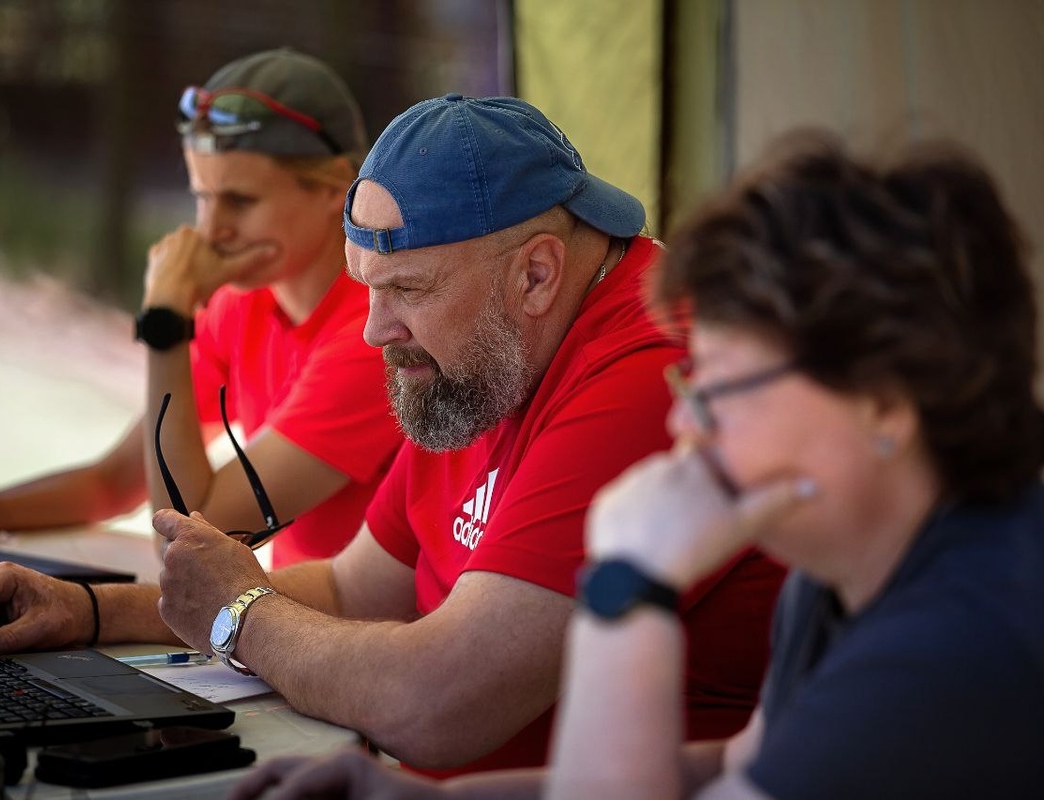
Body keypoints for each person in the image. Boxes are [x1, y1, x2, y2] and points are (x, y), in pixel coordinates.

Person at [0, 95, 784, 776]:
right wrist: (86, 611)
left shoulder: (651, 375)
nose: (375, 329)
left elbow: (440, 703)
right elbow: (352, 588)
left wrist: (240, 615)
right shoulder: (487, 352)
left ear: (536, 273)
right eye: (366, 286)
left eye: (406, 288)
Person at [228, 131, 1044, 798]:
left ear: (884, 403)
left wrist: (632, 586)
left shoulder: (961, 643)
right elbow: (731, 766)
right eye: (694, 384)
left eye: (725, 389)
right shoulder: (847, 576)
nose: (686, 423)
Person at [0, 48, 404, 568]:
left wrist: (167, 325)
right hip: (287, 611)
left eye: (240, 201)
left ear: (335, 187)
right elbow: (112, 484)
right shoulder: (241, 306)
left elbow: (188, 536)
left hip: (345, 621)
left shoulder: (374, 336)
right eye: (202, 196)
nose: (210, 231)